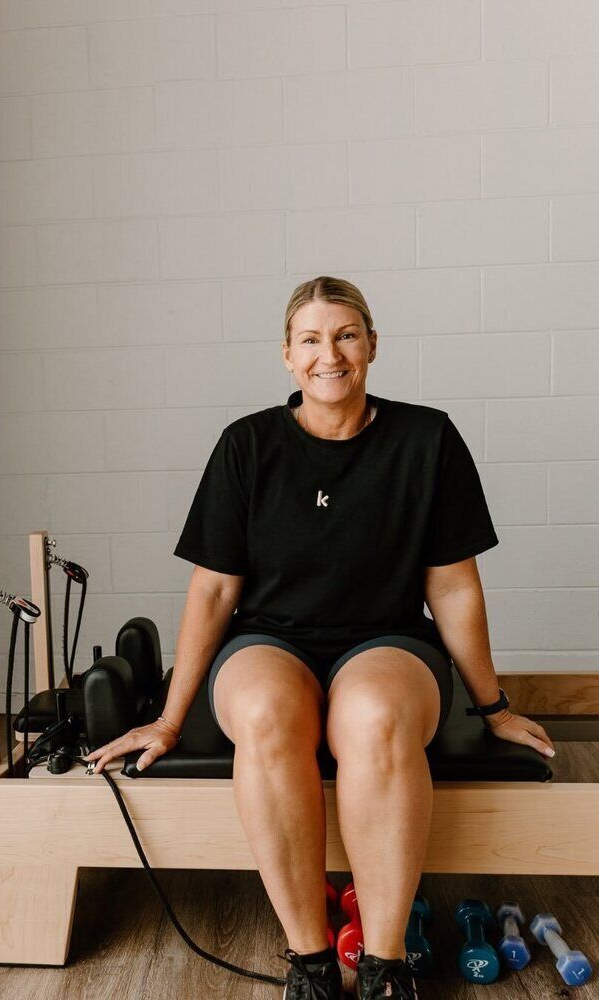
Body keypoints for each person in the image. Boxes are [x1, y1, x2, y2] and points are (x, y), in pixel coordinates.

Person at [84, 276, 555, 1000]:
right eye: (310, 339)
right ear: (287, 354)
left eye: (345, 336)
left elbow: (453, 587)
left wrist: (494, 707)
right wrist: (171, 720)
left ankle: (385, 967)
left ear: (372, 345)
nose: (328, 355)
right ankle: (309, 963)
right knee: (267, 715)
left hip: (388, 640)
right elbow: (214, 591)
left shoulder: (427, 438)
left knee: (375, 716)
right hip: (269, 642)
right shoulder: (246, 445)